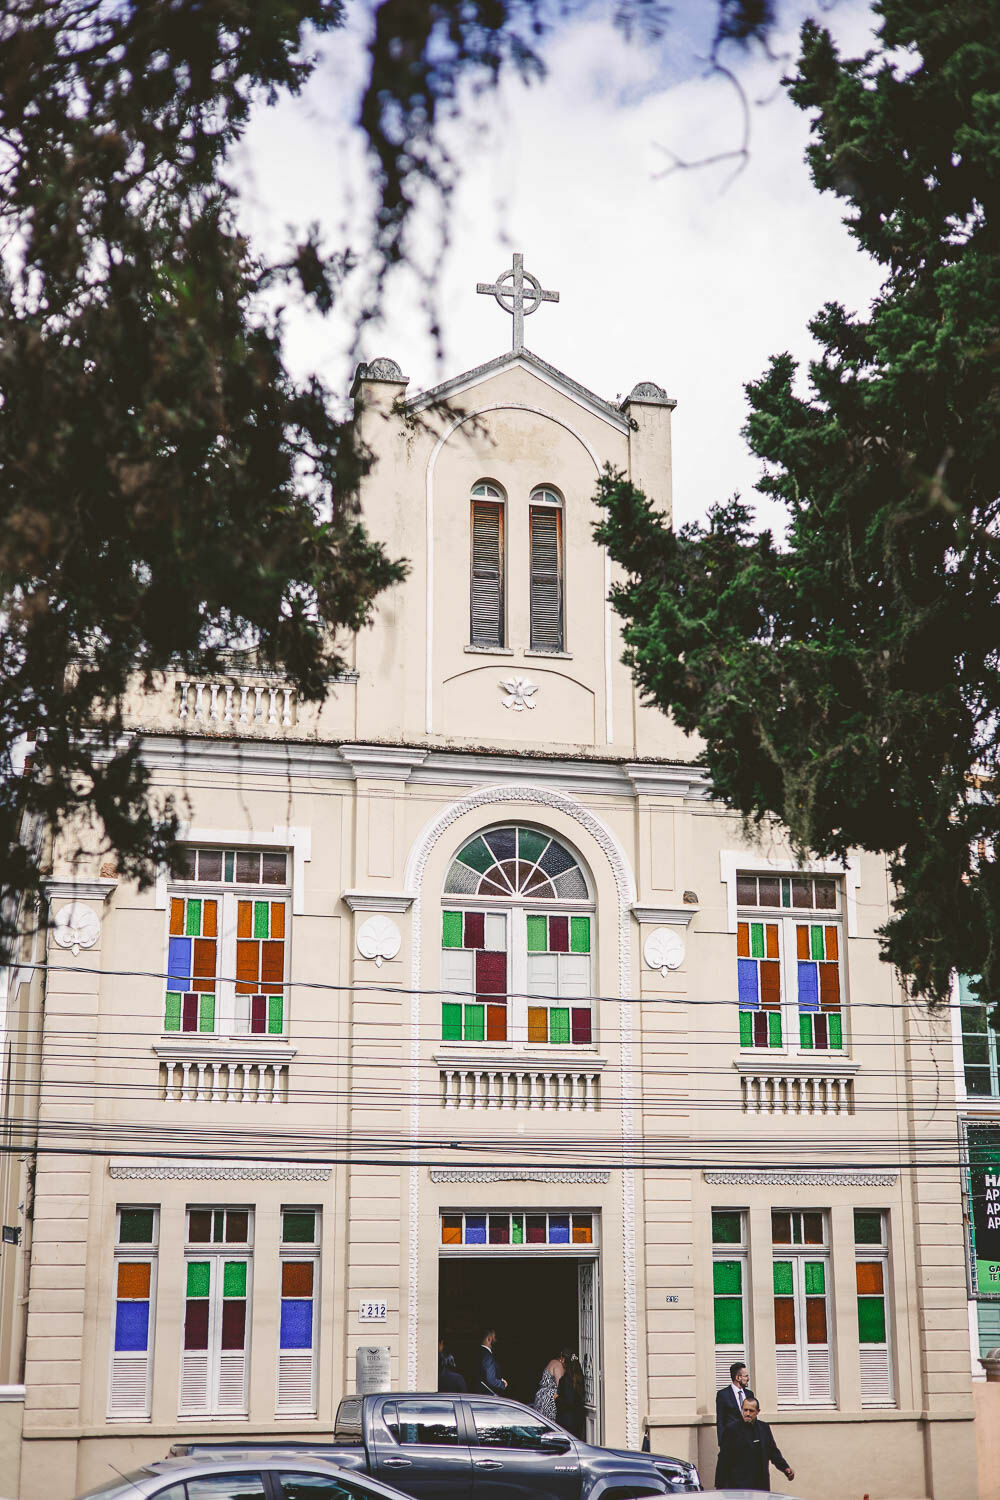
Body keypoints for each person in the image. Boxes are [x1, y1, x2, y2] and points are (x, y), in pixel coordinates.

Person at [715, 1398, 794, 1491]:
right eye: (745, 1410)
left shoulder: (764, 1428)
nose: (747, 1413)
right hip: (739, 1486)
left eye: (751, 1411)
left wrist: (785, 1468)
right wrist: (720, 1486)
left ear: (757, 1412)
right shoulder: (731, 1429)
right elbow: (723, 1459)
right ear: (742, 1409)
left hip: (761, 1485)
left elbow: (773, 1452)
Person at [716, 1361, 756, 1446]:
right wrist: (722, 1444)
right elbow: (720, 1421)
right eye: (746, 1376)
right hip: (731, 1443)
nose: (748, 1378)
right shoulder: (723, 1395)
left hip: (749, 1442)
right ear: (738, 1378)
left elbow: (754, 1418)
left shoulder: (749, 1394)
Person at [555, 1347, 586, 1438]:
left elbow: (568, 1401)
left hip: (566, 1421)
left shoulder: (566, 1379)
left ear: (564, 1360)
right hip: (578, 1419)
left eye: (561, 1358)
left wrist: (556, 1398)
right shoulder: (579, 1377)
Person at [532, 1351, 565, 1421]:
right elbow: (561, 1385)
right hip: (550, 1398)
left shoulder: (552, 1362)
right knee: (551, 1423)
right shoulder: (558, 1365)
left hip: (542, 1397)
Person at [478, 1327, 507, 1394]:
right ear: (489, 1339)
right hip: (487, 1397)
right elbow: (491, 1380)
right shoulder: (487, 1356)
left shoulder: (477, 1353)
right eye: (495, 1337)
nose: (496, 1340)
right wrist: (502, 1384)